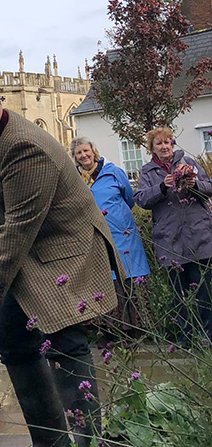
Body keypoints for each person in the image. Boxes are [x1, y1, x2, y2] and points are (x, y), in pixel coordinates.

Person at [0, 73, 121, 447]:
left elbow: (19, 227)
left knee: (65, 342)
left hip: (63, 251)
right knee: (11, 340)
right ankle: (51, 444)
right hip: (28, 255)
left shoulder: (24, 146)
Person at [133, 127, 212, 342]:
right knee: (179, 294)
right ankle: (186, 337)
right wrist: (161, 187)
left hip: (199, 237)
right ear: (152, 148)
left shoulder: (188, 162)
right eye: (158, 143)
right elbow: (140, 199)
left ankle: (207, 336)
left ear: (172, 144)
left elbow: (209, 187)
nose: (164, 147)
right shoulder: (148, 172)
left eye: (167, 142)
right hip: (169, 241)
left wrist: (194, 184)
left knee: (204, 290)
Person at [70, 137, 150, 340]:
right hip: (95, 238)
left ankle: (137, 330)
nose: (84, 155)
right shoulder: (75, 179)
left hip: (123, 235)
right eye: (79, 153)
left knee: (129, 279)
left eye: (86, 151)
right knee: (107, 282)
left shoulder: (113, 172)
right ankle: (112, 332)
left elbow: (129, 198)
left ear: (93, 151)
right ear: (75, 157)